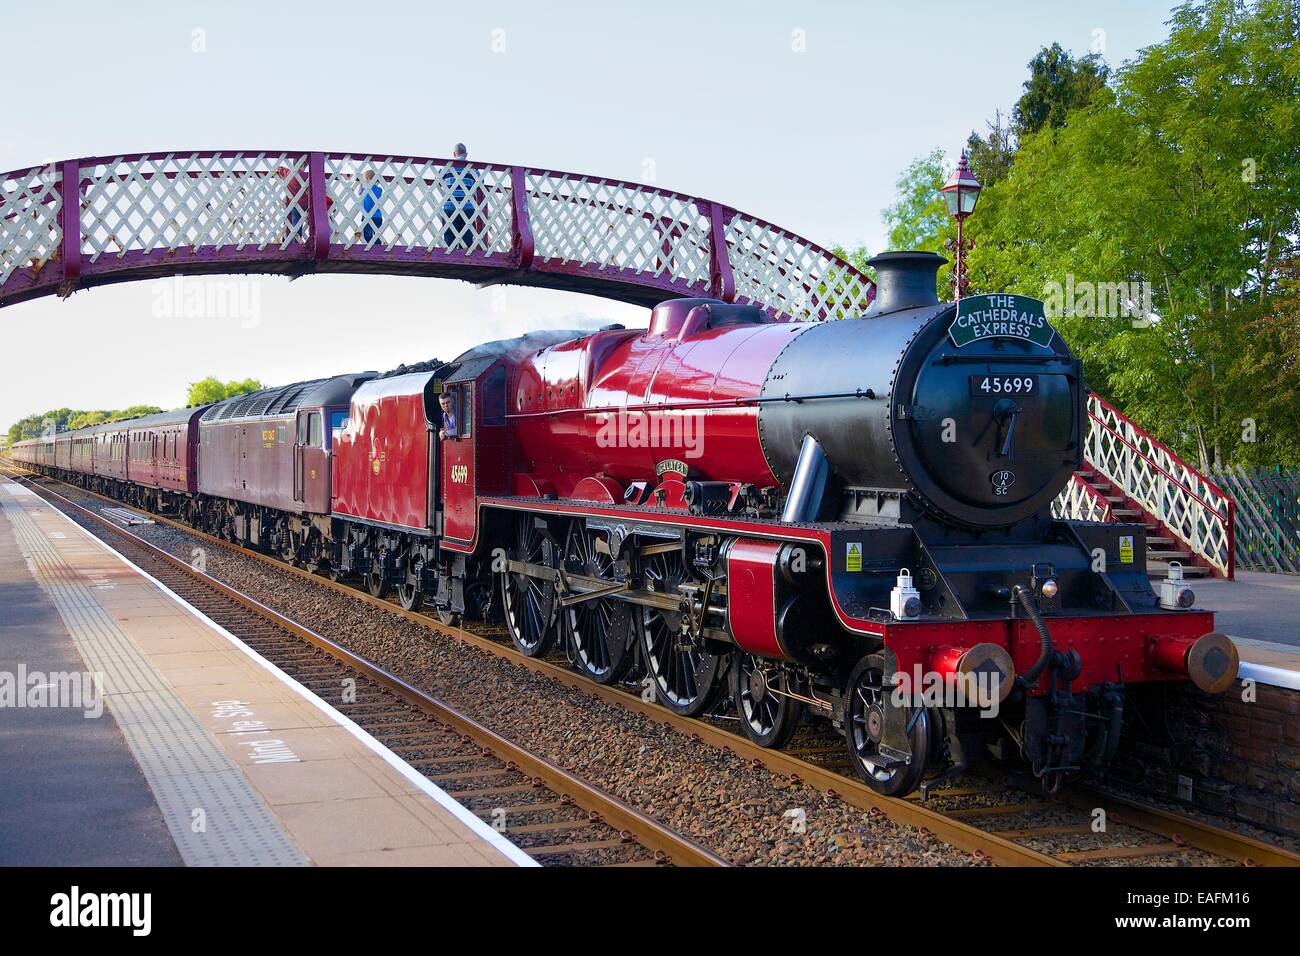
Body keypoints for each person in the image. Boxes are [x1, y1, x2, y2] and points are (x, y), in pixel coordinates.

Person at [441, 143, 478, 250]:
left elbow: (438, 178)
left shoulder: (448, 166)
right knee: (466, 238)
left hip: (450, 206)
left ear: (454, 153)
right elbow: (481, 182)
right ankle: (466, 259)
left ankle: (448, 258)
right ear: (466, 154)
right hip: (468, 206)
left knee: (449, 238)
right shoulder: (473, 168)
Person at [360, 168, 384, 245]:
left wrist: (360, 183)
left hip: (367, 215)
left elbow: (359, 192)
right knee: (377, 234)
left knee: (367, 235)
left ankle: (368, 246)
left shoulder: (364, 189)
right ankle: (377, 246)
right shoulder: (379, 189)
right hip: (378, 216)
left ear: (367, 179)